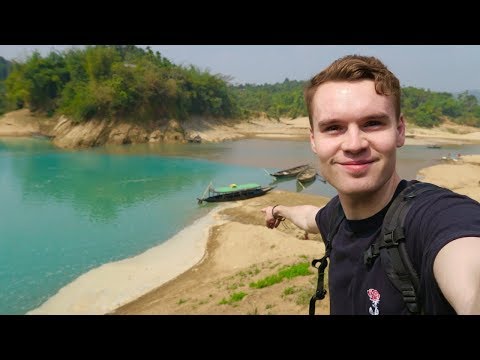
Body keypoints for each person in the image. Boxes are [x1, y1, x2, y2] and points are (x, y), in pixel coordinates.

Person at [262, 55, 480, 315]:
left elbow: (467, 267)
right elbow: (310, 218)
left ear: (399, 131)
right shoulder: (335, 217)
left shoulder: (435, 217)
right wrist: (277, 210)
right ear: (313, 140)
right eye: (333, 127)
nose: (354, 144)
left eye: (373, 123)